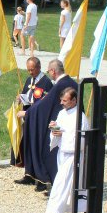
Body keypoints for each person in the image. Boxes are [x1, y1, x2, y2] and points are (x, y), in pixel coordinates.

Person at [37, 87, 89, 213]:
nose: (62, 103)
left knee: (60, 186)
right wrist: (54, 130)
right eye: (61, 100)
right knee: (75, 187)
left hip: (74, 157)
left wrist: (62, 134)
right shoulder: (62, 113)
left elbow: (82, 141)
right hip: (62, 155)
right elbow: (58, 132)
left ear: (74, 100)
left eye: (65, 100)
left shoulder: (81, 118)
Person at [21, 59, 78, 188]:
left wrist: (27, 113)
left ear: (52, 71)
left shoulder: (59, 85)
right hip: (71, 125)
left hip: (61, 127)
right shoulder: (73, 83)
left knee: (53, 156)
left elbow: (43, 105)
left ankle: (55, 184)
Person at [12, 57, 53, 180]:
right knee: (27, 145)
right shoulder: (29, 80)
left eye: (32, 70)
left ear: (39, 67)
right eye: (28, 70)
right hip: (28, 119)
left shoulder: (46, 83)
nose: (30, 72)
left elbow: (43, 104)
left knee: (37, 147)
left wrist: (27, 112)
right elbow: (29, 97)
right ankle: (29, 174)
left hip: (38, 120)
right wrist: (21, 97)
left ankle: (41, 177)